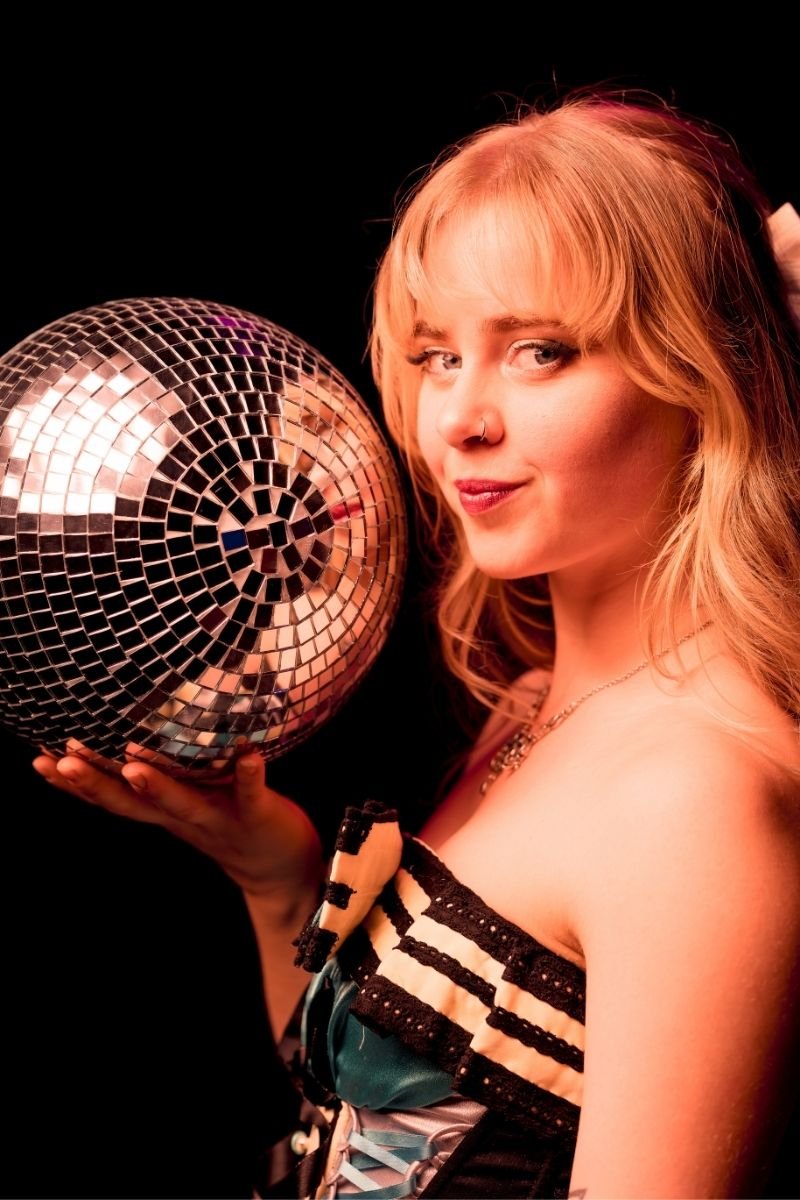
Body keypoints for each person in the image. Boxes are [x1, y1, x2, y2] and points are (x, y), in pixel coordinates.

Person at [32, 89, 800, 1199]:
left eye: (539, 350)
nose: (457, 420)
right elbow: (364, 1113)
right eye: (438, 355)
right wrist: (273, 870)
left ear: (702, 372)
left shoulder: (693, 800)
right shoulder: (539, 702)